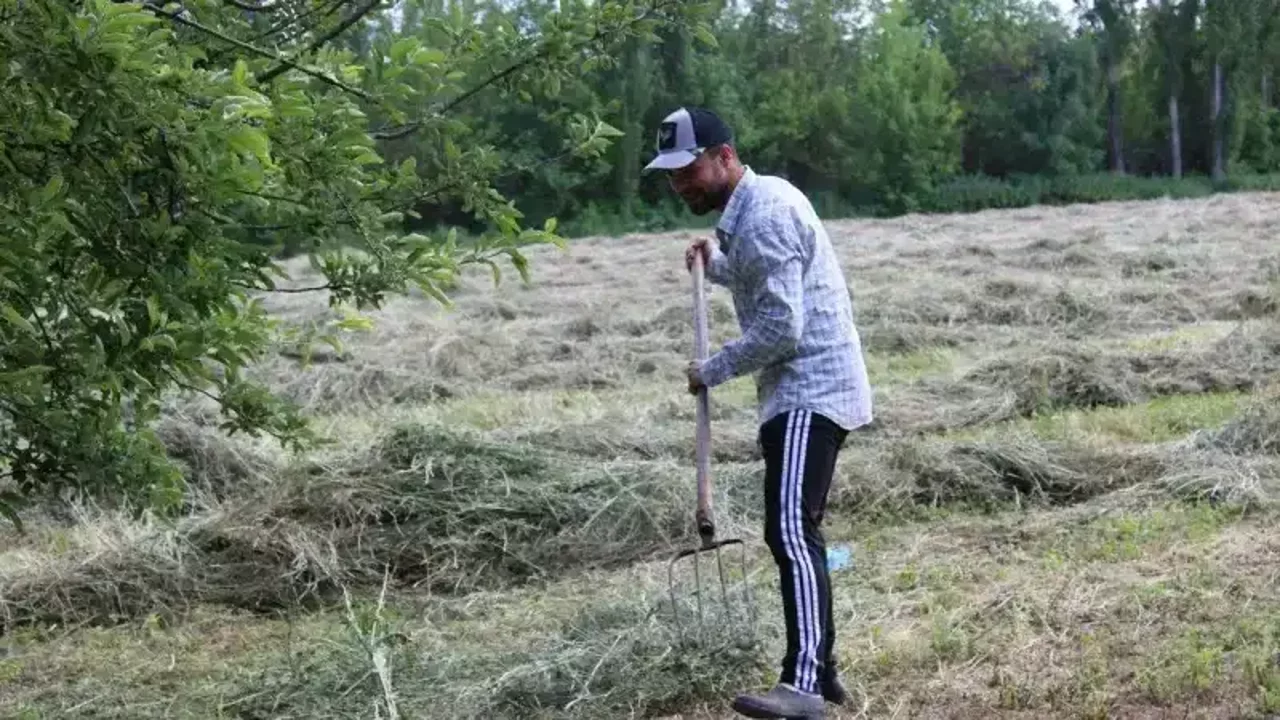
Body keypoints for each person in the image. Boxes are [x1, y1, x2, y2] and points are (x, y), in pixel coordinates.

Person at [643, 106, 874, 720]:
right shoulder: (753, 207)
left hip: (809, 388)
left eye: (688, 169)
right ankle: (821, 673)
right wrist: (715, 266)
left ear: (724, 156)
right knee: (796, 529)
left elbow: (781, 326)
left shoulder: (765, 212)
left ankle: (803, 686)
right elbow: (762, 275)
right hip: (803, 389)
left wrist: (711, 369)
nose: (679, 184)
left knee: (790, 530)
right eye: (671, 175)